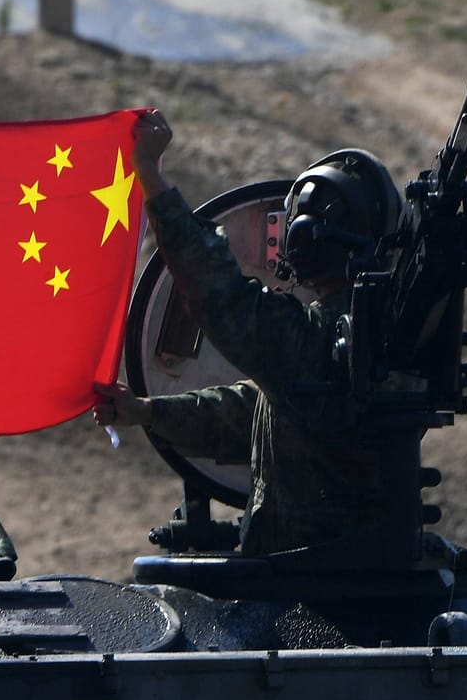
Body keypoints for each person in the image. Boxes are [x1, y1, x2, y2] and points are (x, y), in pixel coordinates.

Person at [93, 109, 405, 557]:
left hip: (301, 575)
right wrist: (146, 411)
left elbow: (219, 293)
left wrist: (149, 176)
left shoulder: (313, 340)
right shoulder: (382, 336)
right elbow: (255, 413)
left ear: (304, 243)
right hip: (367, 564)